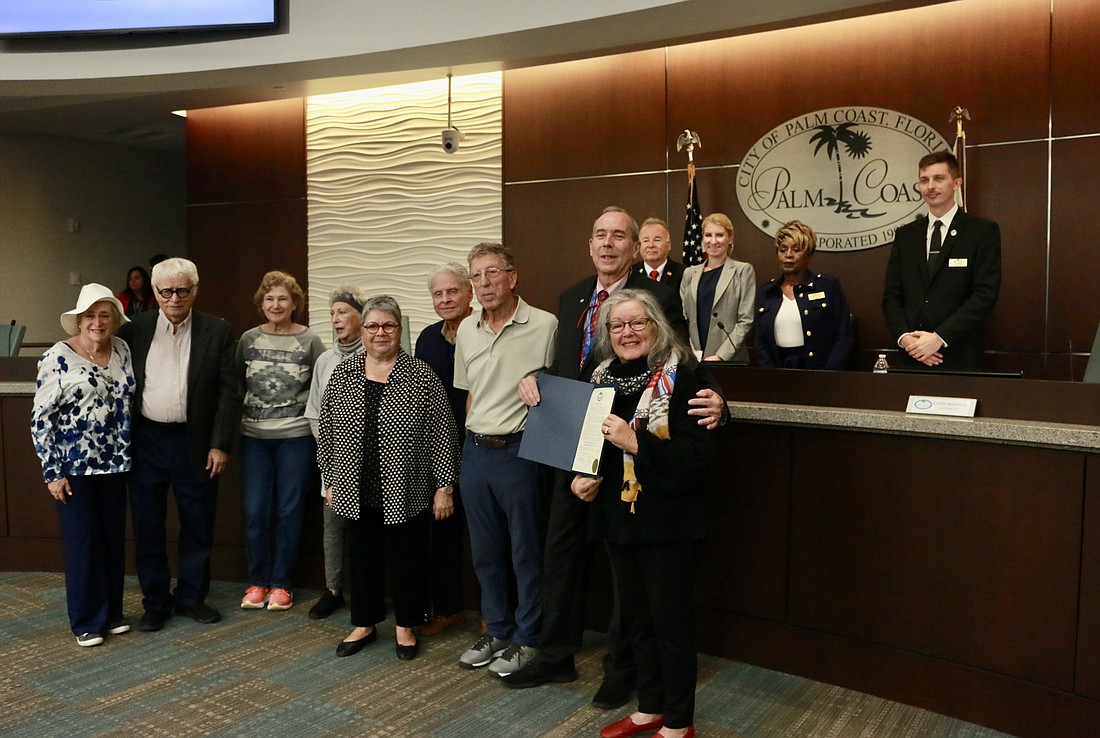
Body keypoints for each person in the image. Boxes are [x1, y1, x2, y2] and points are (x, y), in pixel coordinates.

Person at [505, 207, 726, 711]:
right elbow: (581, 369)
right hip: (579, 448)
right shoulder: (572, 296)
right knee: (559, 553)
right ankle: (556, 654)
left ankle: (622, 670)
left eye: (619, 236)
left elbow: (682, 366)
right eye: (600, 235)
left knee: (631, 577)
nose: (608, 244)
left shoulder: (660, 298)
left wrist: (721, 403)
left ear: (634, 247)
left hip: (637, 461)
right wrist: (537, 375)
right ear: (590, 244)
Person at [585, 289, 714, 738]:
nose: (627, 333)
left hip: (670, 521)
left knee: (670, 624)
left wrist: (635, 443)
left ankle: (679, 723)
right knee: (636, 618)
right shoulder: (599, 376)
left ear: (657, 326)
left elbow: (697, 459)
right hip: (620, 517)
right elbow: (588, 445)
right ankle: (650, 708)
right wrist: (582, 475)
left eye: (637, 323)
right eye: (617, 326)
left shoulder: (687, 377)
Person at [318, 295, 460, 660]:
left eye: (388, 326)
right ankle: (364, 622)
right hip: (354, 483)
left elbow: (443, 434)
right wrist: (330, 480)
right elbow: (329, 429)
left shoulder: (420, 376)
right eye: (372, 326)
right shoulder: (343, 373)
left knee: (407, 558)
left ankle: (405, 625)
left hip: (407, 486)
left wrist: (444, 487)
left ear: (399, 330)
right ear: (362, 331)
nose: (380, 333)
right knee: (362, 557)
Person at [118, 257, 241, 632]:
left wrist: (220, 445)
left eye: (182, 290)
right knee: (149, 526)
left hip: (196, 443)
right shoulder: (133, 329)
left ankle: (191, 598)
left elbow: (229, 393)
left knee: (198, 524)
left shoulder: (217, 331)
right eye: (166, 291)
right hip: (147, 441)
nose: (174, 298)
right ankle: (155, 602)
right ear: (154, 292)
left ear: (195, 291)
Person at [454, 242, 558, 677]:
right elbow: (471, 394)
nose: (484, 283)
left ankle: (528, 637)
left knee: (525, 552)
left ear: (512, 277)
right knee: (485, 552)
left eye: (493, 273)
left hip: (521, 454)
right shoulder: (466, 329)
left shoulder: (545, 325)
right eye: (476, 276)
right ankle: (497, 629)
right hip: (475, 452)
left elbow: (559, 388)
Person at [31, 283, 135, 646]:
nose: (96, 322)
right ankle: (86, 621)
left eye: (104, 315)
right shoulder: (56, 357)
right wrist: (52, 472)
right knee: (82, 543)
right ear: (78, 320)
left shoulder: (122, 349)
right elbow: (41, 419)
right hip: (73, 468)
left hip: (116, 464)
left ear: (114, 320)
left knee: (111, 541)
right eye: (89, 315)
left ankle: (112, 612)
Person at [237, 270, 325, 611]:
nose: (276, 304)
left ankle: (281, 583)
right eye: (270, 298)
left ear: (295, 304)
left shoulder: (310, 341)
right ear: (262, 303)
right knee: (256, 511)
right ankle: (258, 581)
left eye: (283, 299)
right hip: (254, 438)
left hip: (296, 437)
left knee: (289, 510)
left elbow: (321, 390)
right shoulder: (247, 339)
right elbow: (236, 386)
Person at [882, 150, 1002, 371]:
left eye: (939, 179)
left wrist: (939, 337)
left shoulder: (981, 231)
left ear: (956, 183)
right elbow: (892, 296)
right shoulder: (906, 235)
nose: (930, 187)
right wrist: (906, 339)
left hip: (958, 355)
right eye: (924, 180)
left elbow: (984, 295)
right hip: (912, 357)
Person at [414, 263, 475, 635]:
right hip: (437, 451)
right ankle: (449, 608)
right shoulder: (426, 339)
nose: (445, 299)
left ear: (469, 293)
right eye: (438, 294)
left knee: (488, 537)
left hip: (481, 445)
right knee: (443, 535)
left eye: (452, 291)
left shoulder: (483, 332)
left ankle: (495, 615)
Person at [303, 285, 368, 620]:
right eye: (332, 314)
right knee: (333, 528)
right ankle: (332, 590)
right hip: (333, 460)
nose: (336, 319)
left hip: (370, 462)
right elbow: (314, 412)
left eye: (342, 312)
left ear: (361, 315)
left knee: (366, 532)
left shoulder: (376, 356)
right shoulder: (325, 360)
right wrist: (330, 454)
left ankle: (367, 595)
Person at [754, 220, 853, 370]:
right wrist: (769, 374)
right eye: (783, 249)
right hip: (777, 373)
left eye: (796, 249)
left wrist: (829, 374)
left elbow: (843, 336)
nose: (788, 255)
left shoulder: (827, 286)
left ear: (809, 254)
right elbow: (761, 341)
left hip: (820, 372)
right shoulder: (767, 292)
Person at [679, 212, 756, 363]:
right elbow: (683, 319)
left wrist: (721, 356)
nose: (713, 241)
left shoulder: (743, 271)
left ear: (730, 238)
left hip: (730, 360)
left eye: (719, 235)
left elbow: (746, 320)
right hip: (695, 360)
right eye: (708, 235)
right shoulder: (689, 273)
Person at [632, 218, 685, 291]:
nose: (651, 245)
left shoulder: (683, 273)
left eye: (657, 240)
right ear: (638, 246)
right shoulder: (631, 273)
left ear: (669, 245)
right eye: (646, 240)